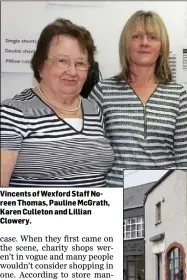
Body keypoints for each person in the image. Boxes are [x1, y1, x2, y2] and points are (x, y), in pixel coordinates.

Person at [0, 19, 114, 187]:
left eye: (80, 63)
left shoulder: (94, 110)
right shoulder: (14, 112)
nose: (73, 71)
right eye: (62, 61)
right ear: (40, 65)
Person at [89, 11, 187, 187]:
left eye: (152, 37)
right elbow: (92, 155)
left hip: (161, 195)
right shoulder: (102, 92)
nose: (144, 43)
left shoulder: (177, 95)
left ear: (162, 47)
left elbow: (185, 159)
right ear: (126, 44)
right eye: (136, 36)